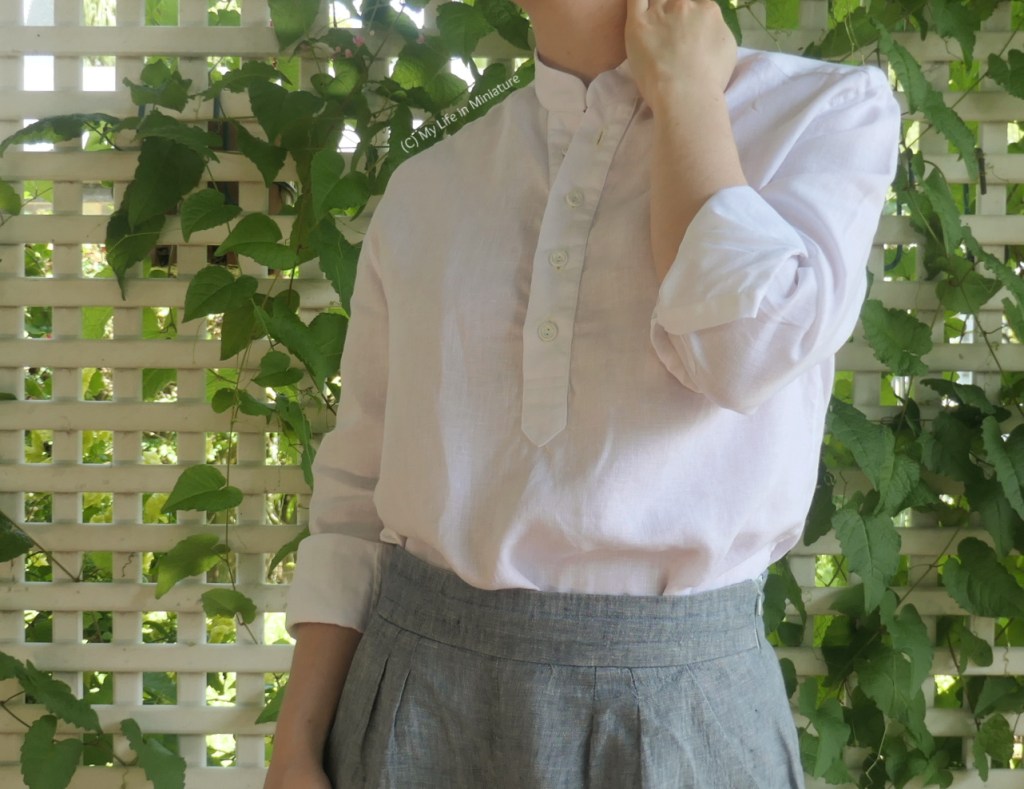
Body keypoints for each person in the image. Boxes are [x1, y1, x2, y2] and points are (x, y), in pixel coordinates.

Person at [264, 0, 901, 786]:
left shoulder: (820, 117)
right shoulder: (429, 186)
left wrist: (689, 99)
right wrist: (295, 745)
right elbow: (360, 487)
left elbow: (740, 353)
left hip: (680, 724)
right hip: (413, 711)